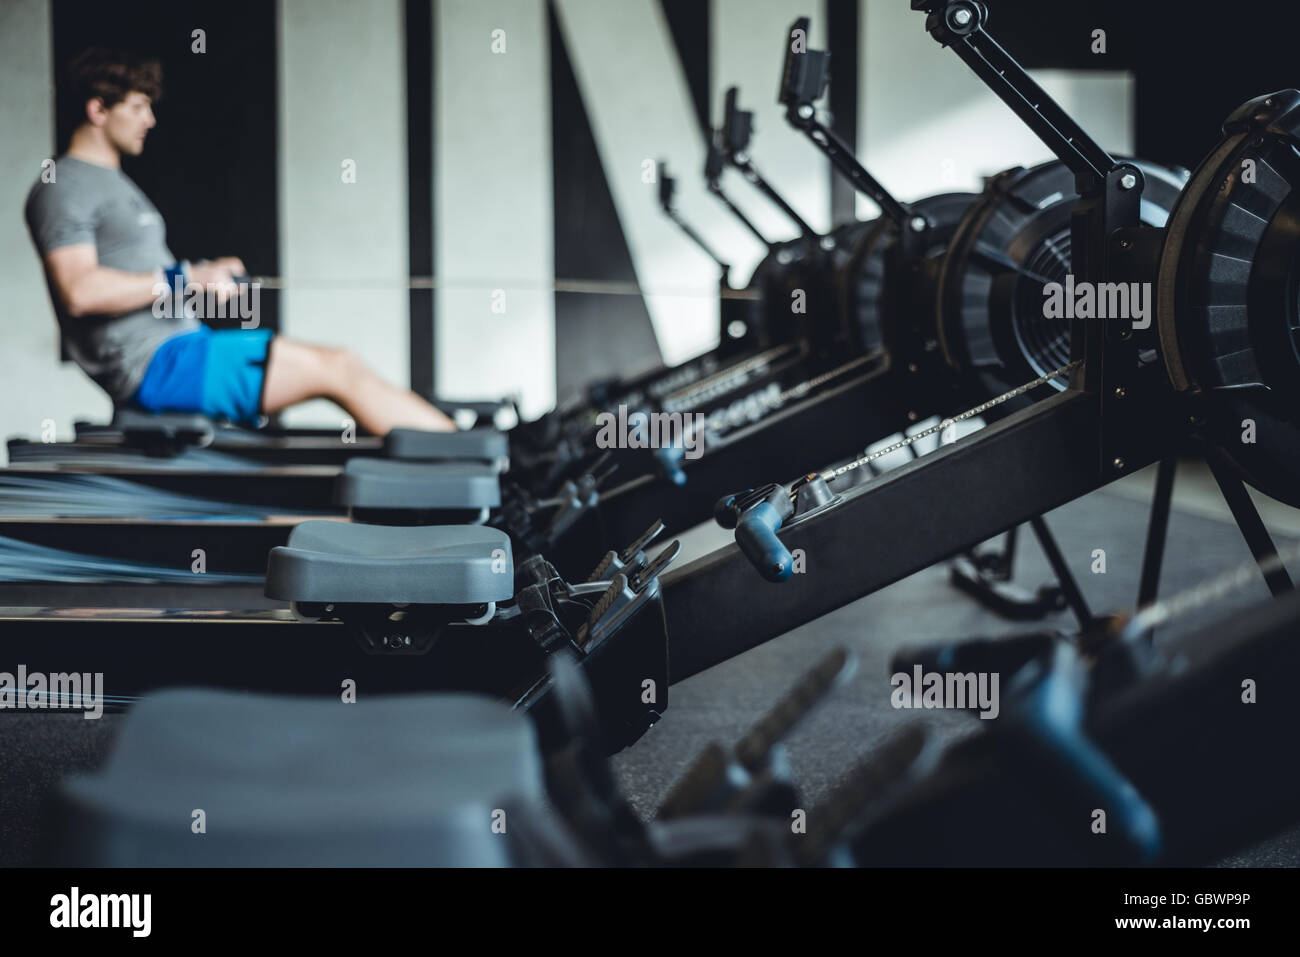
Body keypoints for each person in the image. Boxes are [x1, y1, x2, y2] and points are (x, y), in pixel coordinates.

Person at [24, 47, 456, 435]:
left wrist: (204, 277)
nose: (150, 120)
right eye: (138, 107)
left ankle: (474, 456)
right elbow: (80, 292)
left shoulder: (112, 183)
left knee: (345, 364)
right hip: (156, 367)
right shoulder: (66, 184)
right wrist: (188, 277)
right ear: (98, 109)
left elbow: (149, 278)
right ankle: (475, 464)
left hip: (180, 350)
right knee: (339, 367)